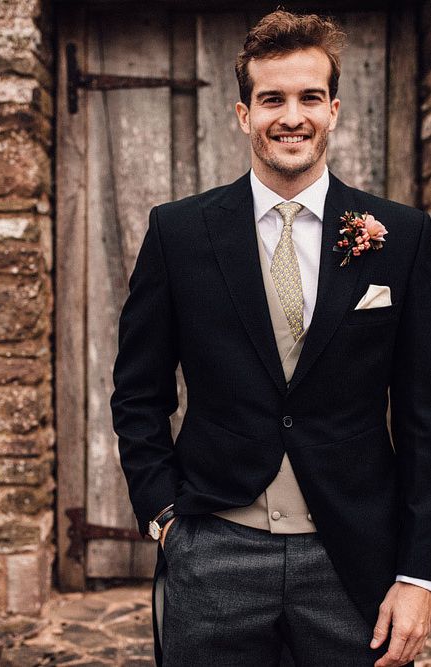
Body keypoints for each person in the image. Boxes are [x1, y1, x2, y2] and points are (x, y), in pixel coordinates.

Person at [110, 10, 431, 667]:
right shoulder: (178, 233)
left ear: (333, 109)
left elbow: (425, 417)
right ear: (241, 113)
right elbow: (137, 393)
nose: (292, 116)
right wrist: (165, 519)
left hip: (350, 556)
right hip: (213, 548)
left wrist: (418, 572)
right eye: (271, 99)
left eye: (309, 97)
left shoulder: (400, 236)